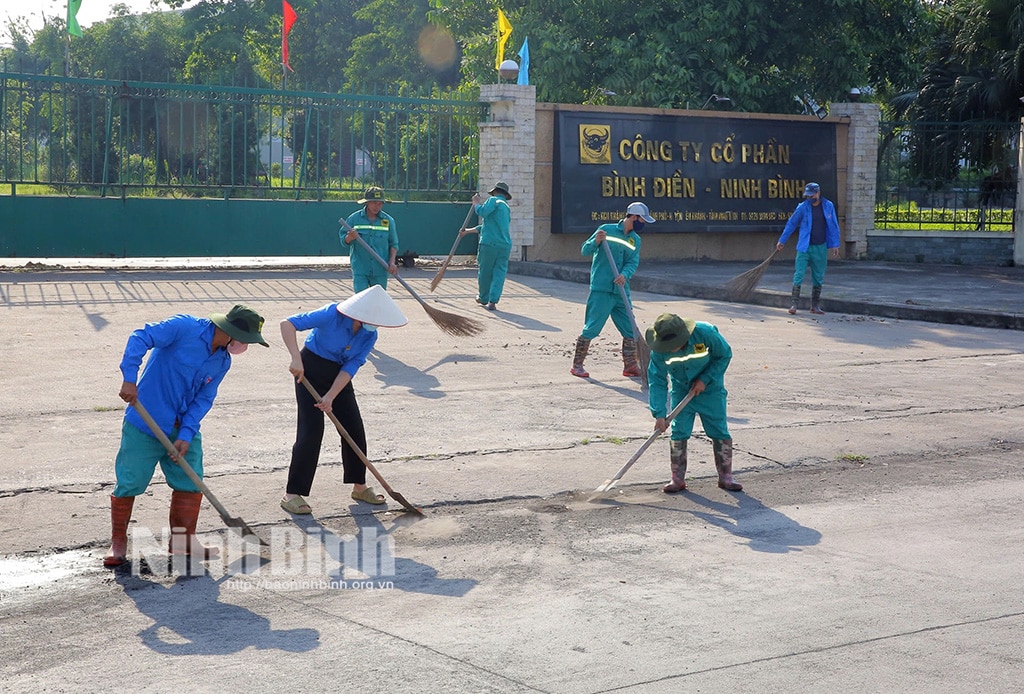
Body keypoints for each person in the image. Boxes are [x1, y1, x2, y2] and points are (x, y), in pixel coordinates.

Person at [104, 304, 269, 567]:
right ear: (230, 332)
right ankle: (119, 541)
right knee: (130, 481)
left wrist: (188, 433)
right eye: (246, 339)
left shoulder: (222, 361)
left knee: (192, 482)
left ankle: (182, 541)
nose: (245, 346)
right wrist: (129, 378)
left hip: (181, 427)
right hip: (145, 422)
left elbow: (203, 399)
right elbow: (140, 337)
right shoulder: (183, 328)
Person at [280, 285, 408, 515]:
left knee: (354, 429)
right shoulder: (332, 314)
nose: (374, 323)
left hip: (338, 377)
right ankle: (292, 493)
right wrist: (295, 358)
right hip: (308, 370)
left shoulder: (370, 334)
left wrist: (331, 396)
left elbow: (352, 365)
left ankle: (359, 486)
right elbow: (287, 324)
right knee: (311, 431)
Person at [645, 312, 742, 493]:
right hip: (682, 390)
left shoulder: (706, 334)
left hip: (710, 389)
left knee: (719, 429)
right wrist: (658, 413)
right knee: (679, 430)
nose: (670, 348)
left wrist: (705, 379)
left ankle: (726, 477)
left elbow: (724, 355)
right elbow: (657, 380)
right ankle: (677, 479)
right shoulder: (658, 350)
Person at [570, 201, 654, 379]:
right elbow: (585, 250)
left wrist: (625, 274)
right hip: (601, 289)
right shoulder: (605, 229)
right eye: (642, 219)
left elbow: (632, 262)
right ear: (633, 216)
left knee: (630, 328)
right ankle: (577, 365)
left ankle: (630, 366)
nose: (643, 223)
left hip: (621, 290)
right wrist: (595, 241)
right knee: (592, 327)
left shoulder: (635, 240)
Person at [776, 182, 841, 315]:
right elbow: (791, 223)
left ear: (818, 193)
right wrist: (782, 240)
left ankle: (815, 306)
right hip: (804, 247)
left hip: (820, 247)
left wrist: (835, 244)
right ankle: (794, 304)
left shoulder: (828, 206)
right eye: (808, 196)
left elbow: (834, 225)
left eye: (812, 195)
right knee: (799, 274)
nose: (809, 198)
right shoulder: (802, 207)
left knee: (818, 276)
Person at [460, 180, 513, 311]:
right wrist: (467, 231)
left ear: (494, 192)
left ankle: (483, 297)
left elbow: (482, 212)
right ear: (505, 195)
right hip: (504, 245)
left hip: (489, 244)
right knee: (499, 272)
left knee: (485, 272)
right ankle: (493, 301)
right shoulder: (506, 208)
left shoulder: (493, 201)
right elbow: (486, 226)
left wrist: (476, 204)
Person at [342, 186, 399, 292]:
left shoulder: (388, 221)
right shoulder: (354, 219)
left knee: (378, 301)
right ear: (367, 202)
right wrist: (349, 237)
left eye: (380, 203)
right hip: (360, 268)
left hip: (380, 269)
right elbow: (344, 240)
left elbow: (394, 244)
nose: (376, 206)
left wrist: (391, 262)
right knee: (360, 300)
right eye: (374, 202)